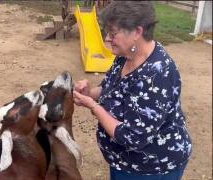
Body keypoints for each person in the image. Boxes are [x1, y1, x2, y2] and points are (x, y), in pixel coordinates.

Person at [73, 1, 192, 180]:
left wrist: (94, 107)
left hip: (150, 168)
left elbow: (132, 137)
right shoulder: (126, 55)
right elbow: (109, 88)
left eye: (113, 34)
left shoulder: (157, 74)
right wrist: (90, 93)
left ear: (137, 32)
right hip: (124, 162)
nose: (107, 39)